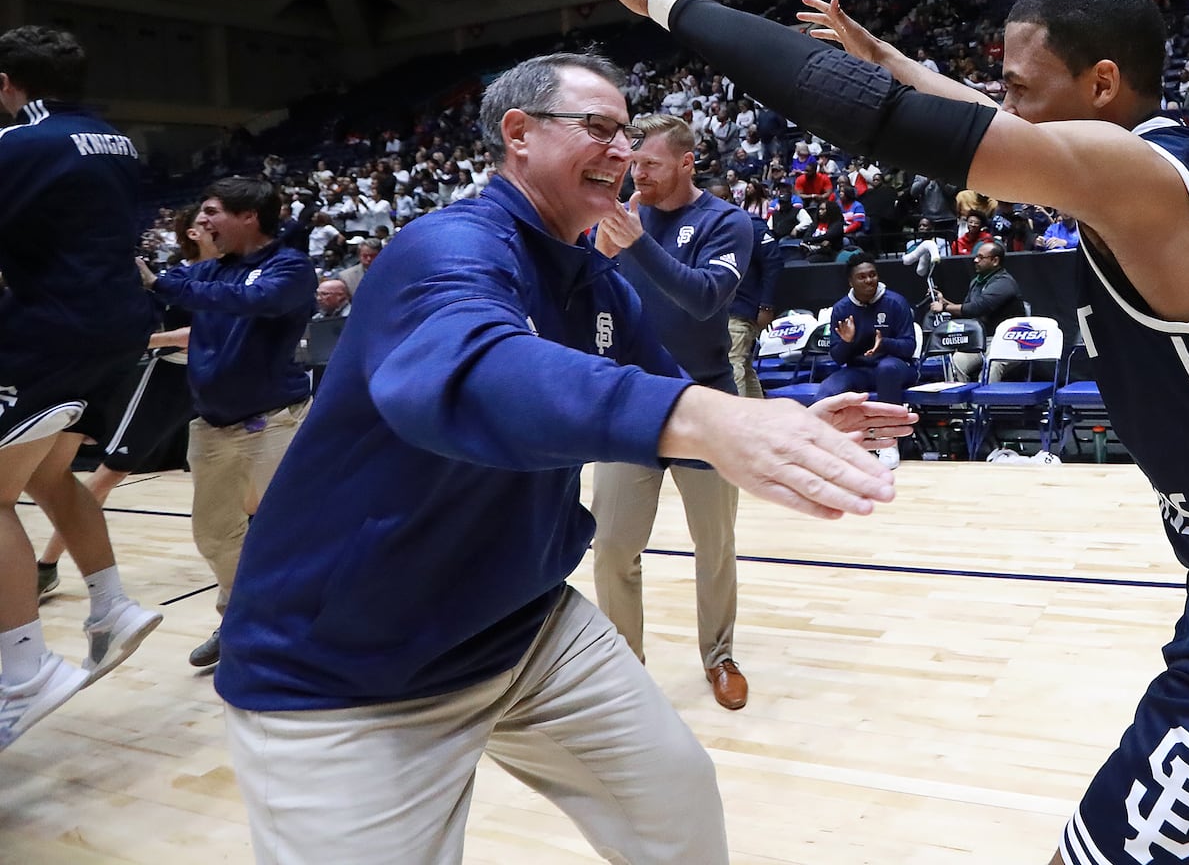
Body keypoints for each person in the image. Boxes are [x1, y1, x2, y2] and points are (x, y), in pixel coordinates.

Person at [556, 0, 1189, 865]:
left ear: (1101, 85)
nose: (1005, 108)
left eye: (1023, 89)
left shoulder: (1138, 178)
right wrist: (896, 61)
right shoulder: (1143, 160)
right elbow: (968, 116)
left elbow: (897, 123)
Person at [212, 51, 911, 864]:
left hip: (524, 622)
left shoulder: (599, 282)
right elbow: (472, 371)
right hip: (349, 664)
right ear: (518, 134)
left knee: (677, 809)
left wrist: (773, 419)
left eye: (628, 135)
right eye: (600, 129)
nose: (623, 152)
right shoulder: (443, 248)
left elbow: (667, 393)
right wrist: (701, 415)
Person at [0, 26, 163, 751]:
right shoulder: (117, 141)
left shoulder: (18, 144)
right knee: (53, 476)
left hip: (52, 331)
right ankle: (111, 605)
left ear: (8, 83)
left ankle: (25, 671)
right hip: (119, 326)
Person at [589, 112, 757, 710]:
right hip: (630, 402)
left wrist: (637, 244)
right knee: (610, 545)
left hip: (704, 401)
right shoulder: (615, 220)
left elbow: (705, 297)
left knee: (714, 545)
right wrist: (599, 255)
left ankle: (720, 656)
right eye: (633, 164)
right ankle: (626, 668)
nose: (639, 175)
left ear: (686, 163)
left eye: (651, 165)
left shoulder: (726, 222)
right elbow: (585, 292)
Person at [137, 176, 316, 668]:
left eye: (212, 212)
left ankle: (305, 629)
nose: (202, 221)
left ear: (248, 217)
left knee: (291, 530)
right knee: (214, 534)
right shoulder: (212, 273)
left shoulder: (289, 266)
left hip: (273, 423)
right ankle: (240, 620)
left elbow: (256, 301)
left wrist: (164, 281)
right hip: (211, 424)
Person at [36, 204, 217, 596]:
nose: (211, 225)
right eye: (203, 221)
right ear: (189, 233)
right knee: (111, 471)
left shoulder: (238, 277)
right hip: (173, 375)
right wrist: (164, 338)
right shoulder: (174, 280)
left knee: (240, 469)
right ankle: (46, 566)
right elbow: (149, 335)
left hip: (223, 376)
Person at [817, 253, 918, 469]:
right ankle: (825, 445)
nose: (869, 280)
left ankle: (888, 444)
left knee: (887, 368)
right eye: (862, 277)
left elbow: (909, 348)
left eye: (873, 275)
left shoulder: (895, 302)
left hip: (897, 367)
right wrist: (846, 342)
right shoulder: (842, 309)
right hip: (860, 370)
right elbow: (837, 357)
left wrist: (884, 344)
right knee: (829, 388)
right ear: (851, 282)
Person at [929, 240, 1026, 379]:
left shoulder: (1004, 283)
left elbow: (977, 308)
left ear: (995, 261)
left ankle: (984, 401)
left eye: (981, 257)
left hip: (1007, 340)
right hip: (980, 340)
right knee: (956, 363)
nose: (975, 260)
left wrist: (944, 307)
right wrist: (944, 302)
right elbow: (967, 310)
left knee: (991, 365)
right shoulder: (977, 282)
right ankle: (959, 401)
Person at [729, 183, 783, 399]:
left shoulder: (749, 224)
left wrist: (766, 305)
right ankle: (761, 417)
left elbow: (774, 262)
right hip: (717, 309)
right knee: (743, 365)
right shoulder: (707, 226)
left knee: (733, 365)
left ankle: (738, 426)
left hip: (742, 309)